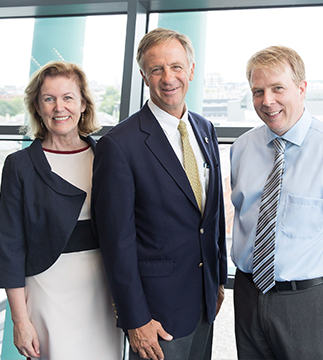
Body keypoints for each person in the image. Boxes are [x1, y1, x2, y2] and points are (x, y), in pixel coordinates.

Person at [230, 45, 323, 360]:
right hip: (247, 296)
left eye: (277, 88)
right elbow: (243, 213)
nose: (267, 101)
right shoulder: (242, 148)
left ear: (301, 89)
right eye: (258, 91)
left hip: (310, 301)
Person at [92, 27, 227, 360]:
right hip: (156, 315)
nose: (168, 77)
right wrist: (135, 319)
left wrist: (218, 279)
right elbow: (116, 242)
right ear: (143, 75)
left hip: (204, 302)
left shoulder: (205, 130)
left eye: (177, 66)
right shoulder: (119, 145)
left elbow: (214, 212)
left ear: (191, 70)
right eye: (157, 69)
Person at [0, 61, 123, 359]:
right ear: (37, 108)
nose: (58, 107)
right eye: (48, 99)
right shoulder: (20, 166)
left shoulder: (107, 156)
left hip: (103, 294)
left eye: (68, 97)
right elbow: (11, 249)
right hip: (47, 295)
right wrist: (19, 320)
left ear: (83, 104)